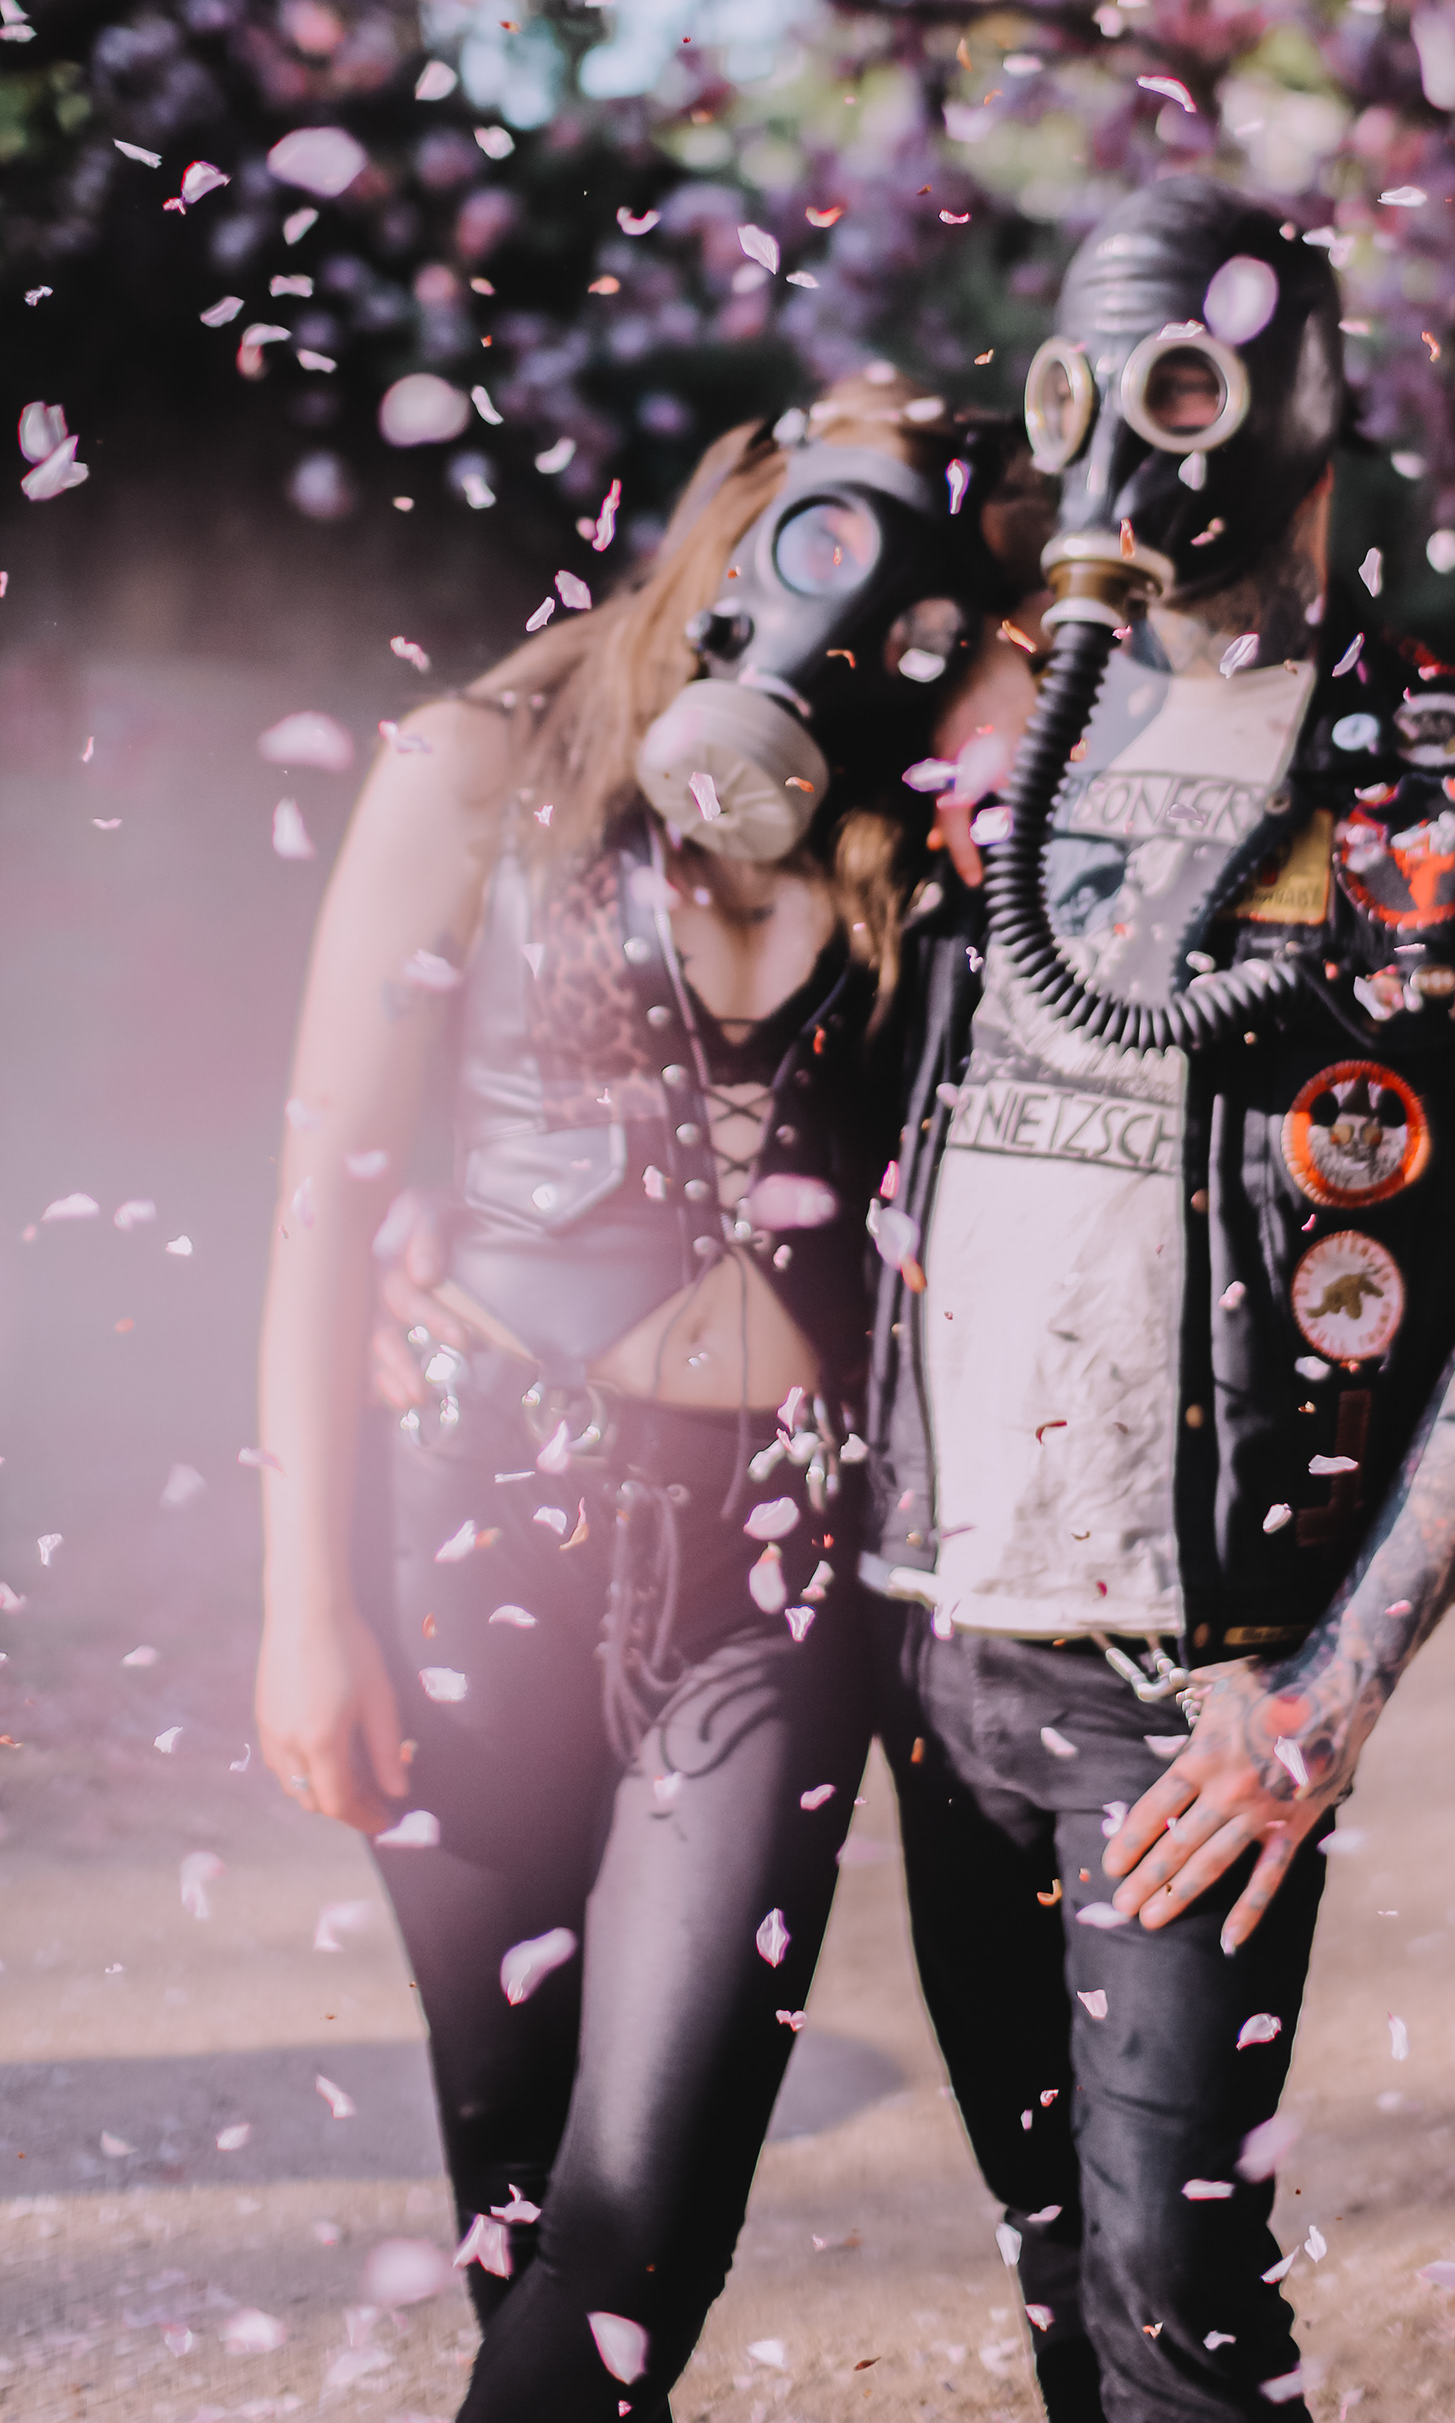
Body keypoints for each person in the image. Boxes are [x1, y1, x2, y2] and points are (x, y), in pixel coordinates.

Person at [860, 179, 1455, 2421]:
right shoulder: (1001, 750)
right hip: (948, 1634)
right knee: (1057, 2261)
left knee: (1179, 2305)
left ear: (1295, 403)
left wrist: (1326, 1687)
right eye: (1091, 388)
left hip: (1196, 1681)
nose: (1132, 439)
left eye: (1183, 382)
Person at [254, 372, 1026, 2417]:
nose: (863, 599)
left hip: (771, 1576)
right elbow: (325, 1204)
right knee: (523, 2210)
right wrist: (306, 1603)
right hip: (475, 1525)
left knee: (636, 2220)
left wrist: (999, 705)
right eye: (833, 522)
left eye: (925, 583)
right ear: (737, 516)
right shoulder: (473, 768)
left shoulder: (923, 835)